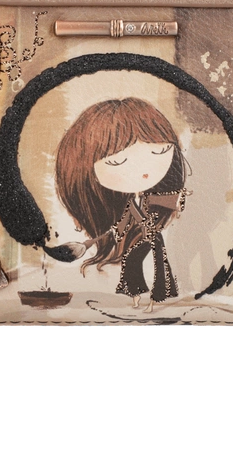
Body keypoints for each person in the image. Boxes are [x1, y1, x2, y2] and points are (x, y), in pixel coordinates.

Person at [56, 98, 190, 312]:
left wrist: (177, 200)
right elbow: (124, 221)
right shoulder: (130, 203)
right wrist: (114, 232)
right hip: (141, 237)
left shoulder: (149, 197)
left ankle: (157, 298)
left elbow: (169, 201)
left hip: (153, 236)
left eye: (159, 152)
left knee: (159, 266)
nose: (143, 172)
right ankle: (135, 294)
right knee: (130, 260)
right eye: (117, 162)